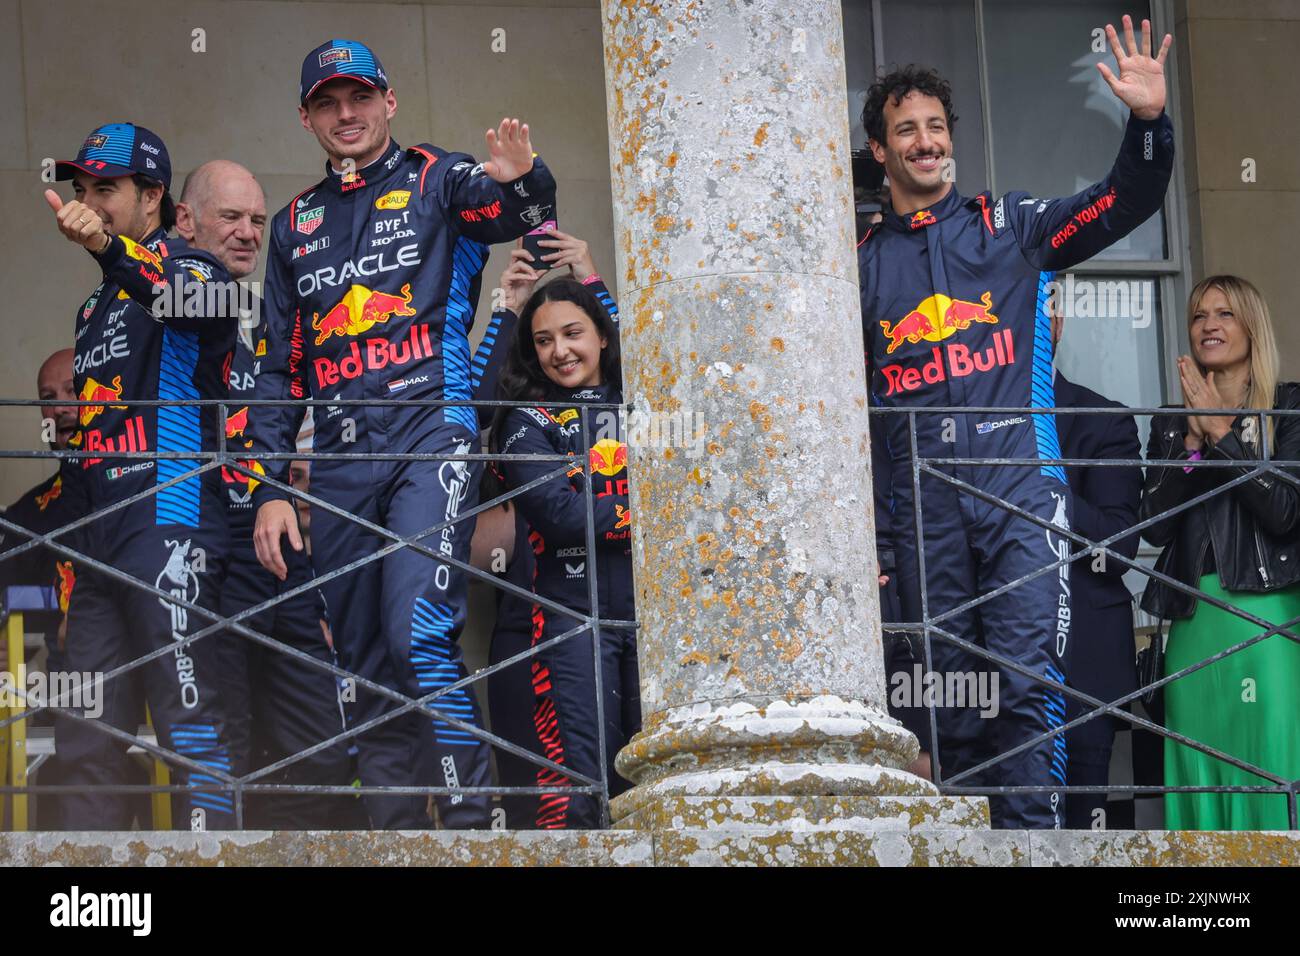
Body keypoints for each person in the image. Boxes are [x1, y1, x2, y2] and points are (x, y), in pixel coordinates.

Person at [857, 16, 1174, 828]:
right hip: (922, 519)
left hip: (1021, 505)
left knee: (1027, 693)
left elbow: (1120, 203)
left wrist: (1147, 124)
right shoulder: (855, 265)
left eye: (935, 127)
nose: (926, 143)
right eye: (906, 131)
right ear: (880, 150)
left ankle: (1033, 852)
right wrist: (883, 544)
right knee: (947, 707)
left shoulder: (1014, 227)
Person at [247, 39, 557, 829]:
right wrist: (274, 488)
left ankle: (467, 829)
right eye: (327, 103)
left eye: (360, 98)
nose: (346, 115)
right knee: (364, 666)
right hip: (342, 460)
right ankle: (390, 841)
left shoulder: (437, 177)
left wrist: (527, 180)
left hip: (431, 433)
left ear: (388, 101)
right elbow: (279, 372)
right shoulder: (291, 225)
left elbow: (515, 214)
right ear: (307, 118)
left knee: (416, 632)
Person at [44, 122, 239, 830]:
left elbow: (199, 307)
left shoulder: (200, 270)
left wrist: (104, 245)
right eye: (83, 188)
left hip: (169, 522)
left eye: (107, 188)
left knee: (188, 718)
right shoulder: (93, 309)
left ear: (152, 194)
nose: (89, 201)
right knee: (85, 734)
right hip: (96, 543)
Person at [175, 160, 359, 828]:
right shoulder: (168, 299)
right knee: (225, 737)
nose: (249, 233)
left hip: (285, 559)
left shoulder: (274, 319)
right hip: (205, 553)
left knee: (321, 745)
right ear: (185, 220)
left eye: (258, 220)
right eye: (231, 217)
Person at [1138, 275, 1300, 830]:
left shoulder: (1291, 410)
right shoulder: (1170, 421)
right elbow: (1154, 527)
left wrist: (1225, 436)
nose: (1209, 324)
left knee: (1267, 756)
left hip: (1269, 616)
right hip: (1194, 617)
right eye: (1200, 314)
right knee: (1199, 762)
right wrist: (1191, 443)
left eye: (1225, 314)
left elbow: (1284, 514)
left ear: (1252, 327)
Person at [477, 232, 622, 827]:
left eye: (572, 333)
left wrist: (592, 281)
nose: (559, 351)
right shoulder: (524, 418)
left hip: (652, 618)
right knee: (580, 795)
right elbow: (560, 516)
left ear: (601, 337)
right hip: (567, 620)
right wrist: (505, 311)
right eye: (542, 341)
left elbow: (656, 361)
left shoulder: (641, 401)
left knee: (653, 785)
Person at [1051, 310, 1142, 829]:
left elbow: (1119, 546)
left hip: (1085, 658)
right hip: (986, 667)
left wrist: (1045, 490)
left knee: (1087, 828)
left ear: (1057, 324)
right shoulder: (962, 421)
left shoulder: (1102, 418)